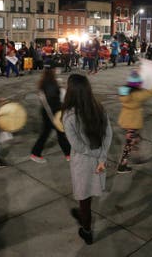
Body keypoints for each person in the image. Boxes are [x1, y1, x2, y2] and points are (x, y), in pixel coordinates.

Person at [62, 74, 112, 245]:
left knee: (84, 197)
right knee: (88, 193)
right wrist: (102, 156)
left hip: (83, 162)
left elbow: (77, 146)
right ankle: (84, 216)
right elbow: (108, 135)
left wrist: (96, 154)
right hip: (98, 160)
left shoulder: (69, 116)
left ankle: (87, 231)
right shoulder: (99, 107)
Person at [117, 70, 152, 173]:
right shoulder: (138, 95)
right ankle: (122, 165)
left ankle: (136, 157)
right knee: (129, 145)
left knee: (136, 139)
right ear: (137, 84)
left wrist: (138, 72)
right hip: (132, 123)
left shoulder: (124, 91)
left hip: (125, 120)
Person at [30, 65, 71, 163]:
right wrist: (60, 110)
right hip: (52, 112)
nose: (58, 70)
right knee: (60, 133)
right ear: (52, 70)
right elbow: (52, 100)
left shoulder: (46, 81)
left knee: (47, 133)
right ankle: (69, 154)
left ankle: (35, 153)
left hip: (47, 111)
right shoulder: (50, 83)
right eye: (56, 68)